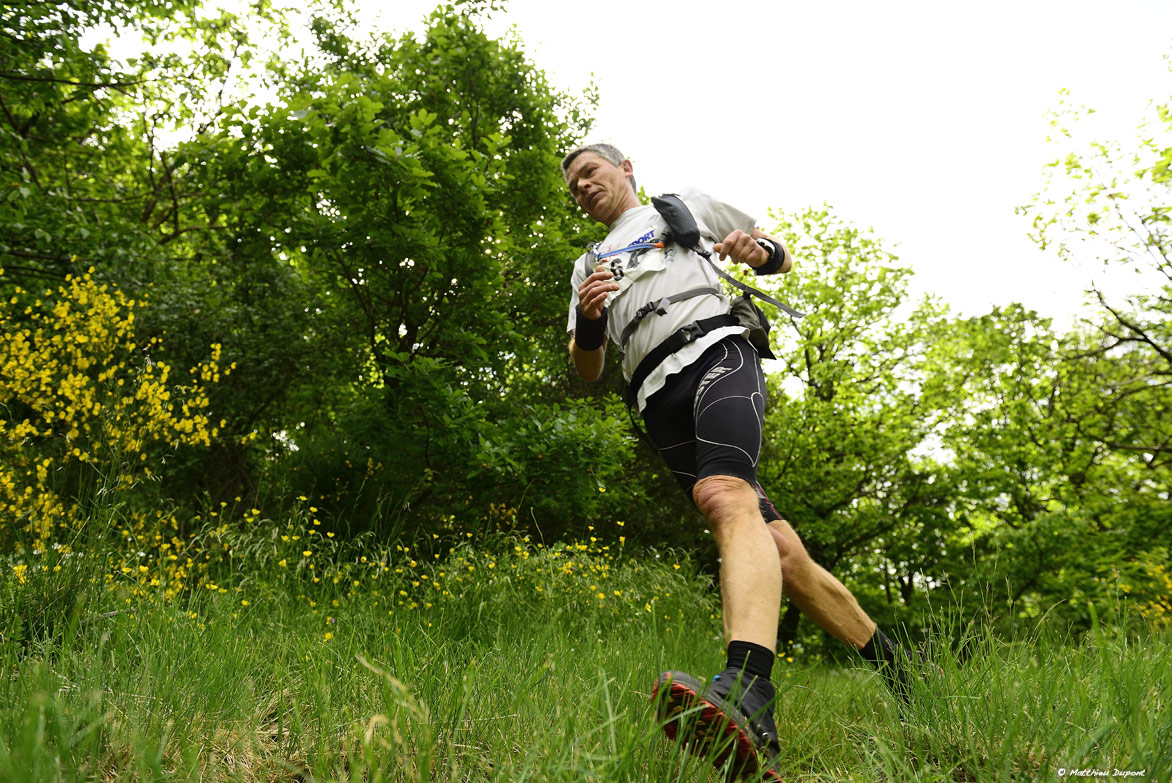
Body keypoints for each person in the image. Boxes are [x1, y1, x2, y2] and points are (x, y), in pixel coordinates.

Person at [562, 143, 919, 780]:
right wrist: (590, 322)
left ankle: (749, 688)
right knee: (781, 552)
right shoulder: (585, 265)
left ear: (625, 169)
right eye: (573, 185)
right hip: (653, 396)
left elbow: (776, 253)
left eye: (591, 172)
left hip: (716, 351)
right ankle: (901, 671)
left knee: (723, 495)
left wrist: (758, 252)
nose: (583, 186)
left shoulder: (680, 206)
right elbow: (586, 367)